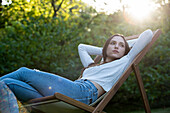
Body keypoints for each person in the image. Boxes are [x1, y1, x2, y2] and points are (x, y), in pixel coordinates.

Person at [0, 29, 153, 113]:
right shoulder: (92, 66)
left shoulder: (124, 62)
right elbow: (81, 47)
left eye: (120, 45)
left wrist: (125, 49)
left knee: (23, 72)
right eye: (112, 43)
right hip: (73, 90)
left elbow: (148, 34)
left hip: (84, 93)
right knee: (5, 84)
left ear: (126, 50)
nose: (116, 47)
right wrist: (104, 49)